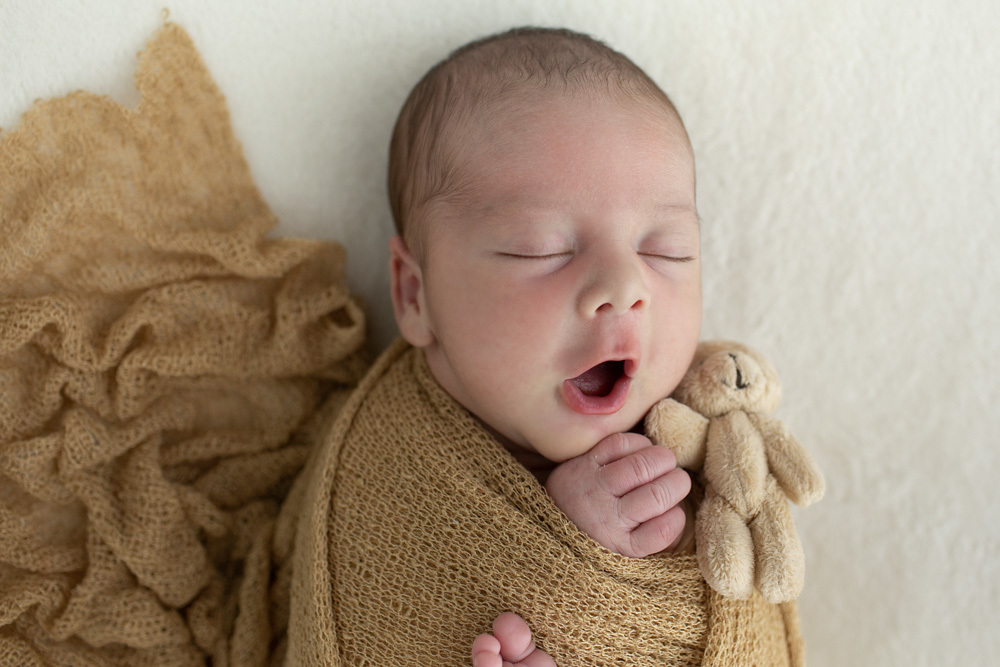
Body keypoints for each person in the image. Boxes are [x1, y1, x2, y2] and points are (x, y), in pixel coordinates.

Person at [387, 27, 699, 666]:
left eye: (665, 250)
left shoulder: (710, 438)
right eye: (541, 248)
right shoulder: (389, 476)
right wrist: (550, 555)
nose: (623, 287)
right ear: (416, 295)